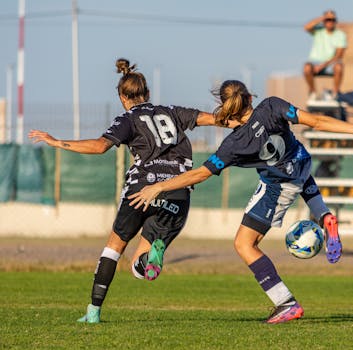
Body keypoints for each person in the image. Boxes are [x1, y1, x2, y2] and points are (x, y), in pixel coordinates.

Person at [129, 80, 353, 324]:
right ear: (251, 97)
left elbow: (201, 174)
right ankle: (324, 215)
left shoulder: (234, 144)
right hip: (301, 162)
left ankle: (286, 303)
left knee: (244, 244)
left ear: (227, 108)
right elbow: (316, 122)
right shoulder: (272, 105)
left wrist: (159, 186)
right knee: (298, 171)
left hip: (278, 186)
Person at [28, 58, 229, 324]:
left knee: (114, 248)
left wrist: (57, 142)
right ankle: (151, 255)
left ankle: (93, 312)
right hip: (178, 192)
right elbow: (215, 119)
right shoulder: (172, 112)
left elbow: (99, 146)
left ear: (123, 98)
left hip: (142, 190)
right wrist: (243, 118)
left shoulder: (129, 118)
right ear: (148, 93)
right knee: (139, 267)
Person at [303, 10, 347, 101]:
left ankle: (335, 93)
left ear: (335, 21)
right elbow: (306, 27)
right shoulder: (318, 31)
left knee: (339, 67)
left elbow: (339, 55)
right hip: (315, 61)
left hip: (330, 63)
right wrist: (322, 18)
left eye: (332, 19)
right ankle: (313, 92)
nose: (330, 22)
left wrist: (323, 65)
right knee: (306, 68)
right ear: (324, 21)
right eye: (328, 19)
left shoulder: (340, 35)